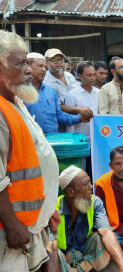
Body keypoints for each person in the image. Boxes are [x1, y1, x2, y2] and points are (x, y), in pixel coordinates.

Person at [0, 30, 59, 271]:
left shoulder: (15, 101)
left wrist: (47, 210)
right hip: (10, 230)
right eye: (21, 63)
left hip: (30, 223)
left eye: (27, 62)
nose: (28, 70)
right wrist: (12, 224)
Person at [55, 165, 123, 272]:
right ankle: (82, 268)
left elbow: (106, 233)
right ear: (70, 191)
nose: (91, 187)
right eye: (86, 184)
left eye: (90, 183)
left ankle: (79, 268)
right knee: (52, 254)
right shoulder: (54, 209)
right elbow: (50, 245)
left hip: (83, 248)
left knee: (102, 238)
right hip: (63, 253)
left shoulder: (95, 202)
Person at [24, 52, 86, 134]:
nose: (43, 70)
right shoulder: (20, 92)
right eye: (40, 66)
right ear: (28, 67)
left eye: (45, 67)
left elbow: (59, 115)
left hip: (53, 140)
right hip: (31, 141)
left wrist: (79, 119)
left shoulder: (51, 91)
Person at [44, 49, 93, 131]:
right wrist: (78, 110)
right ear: (46, 63)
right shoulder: (46, 82)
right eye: (54, 60)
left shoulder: (69, 75)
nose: (59, 63)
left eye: (61, 60)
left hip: (79, 122)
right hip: (61, 126)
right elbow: (57, 107)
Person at [65, 61, 99, 179]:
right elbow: (70, 121)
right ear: (80, 76)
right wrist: (72, 145)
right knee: (82, 176)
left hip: (97, 142)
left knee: (94, 174)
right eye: (89, 75)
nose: (92, 78)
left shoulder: (99, 93)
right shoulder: (72, 95)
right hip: (81, 143)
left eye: (94, 74)